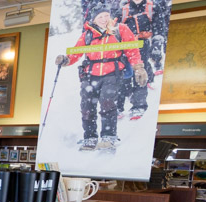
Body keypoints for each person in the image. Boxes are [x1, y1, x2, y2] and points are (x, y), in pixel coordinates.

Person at [56, 5, 146, 151]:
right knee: (87, 107)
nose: (104, 19)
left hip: (112, 73)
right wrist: (65, 60)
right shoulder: (88, 34)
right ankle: (90, 138)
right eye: (100, 17)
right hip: (90, 74)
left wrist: (138, 67)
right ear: (94, 19)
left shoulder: (120, 29)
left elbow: (132, 50)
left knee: (107, 103)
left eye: (106, 16)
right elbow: (76, 53)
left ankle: (108, 137)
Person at [116, 0, 156, 120]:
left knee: (139, 72)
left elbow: (159, 27)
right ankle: (119, 105)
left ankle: (139, 105)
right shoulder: (123, 10)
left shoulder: (152, 7)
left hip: (142, 43)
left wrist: (157, 46)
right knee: (124, 73)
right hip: (126, 45)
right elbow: (114, 28)